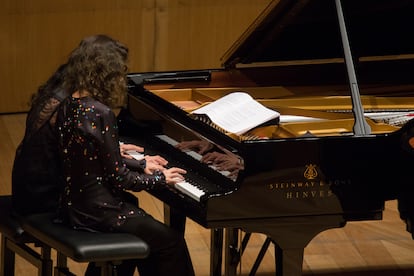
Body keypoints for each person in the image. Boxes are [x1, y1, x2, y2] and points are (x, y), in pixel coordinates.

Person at [55, 34, 195, 276]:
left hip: (75, 206)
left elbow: (93, 158)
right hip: (101, 212)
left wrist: (140, 164)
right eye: (120, 69)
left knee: (148, 232)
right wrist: (161, 178)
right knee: (170, 241)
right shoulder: (100, 112)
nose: (122, 76)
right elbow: (120, 179)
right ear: (106, 71)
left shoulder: (69, 103)